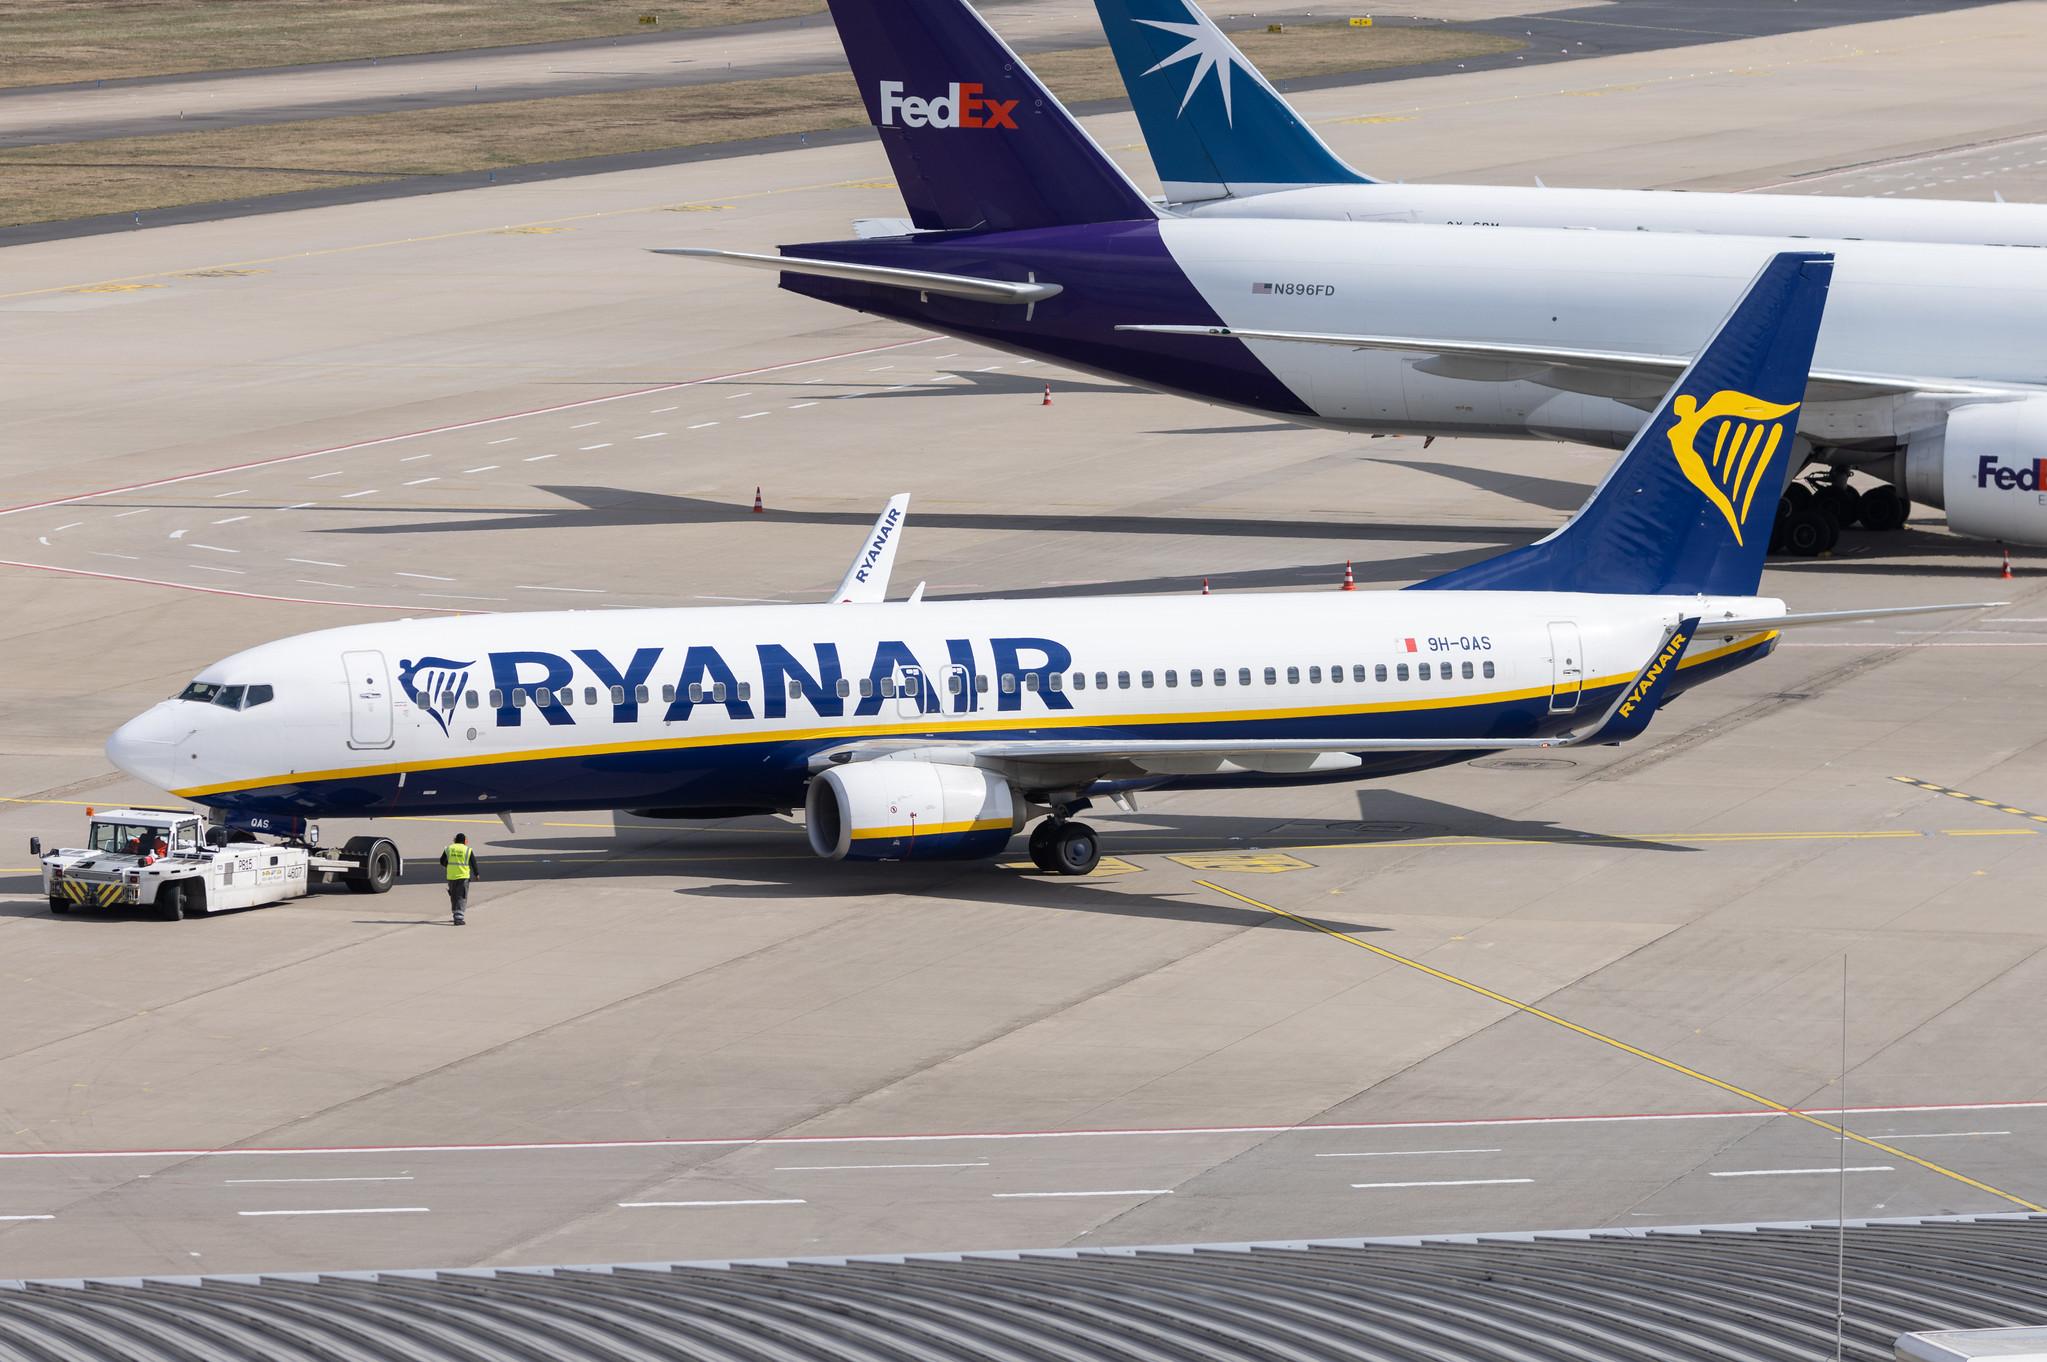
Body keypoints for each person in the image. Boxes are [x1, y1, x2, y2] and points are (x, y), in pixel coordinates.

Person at [439, 833, 478, 926]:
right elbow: (473, 863)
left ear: (455, 840)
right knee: (461, 896)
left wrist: (448, 866)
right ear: (465, 841)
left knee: (454, 896)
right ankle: (459, 918)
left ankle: (455, 914)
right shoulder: (467, 850)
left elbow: (442, 861)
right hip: (463, 877)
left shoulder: (449, 848)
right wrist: (476, 874)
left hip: (451, 877)